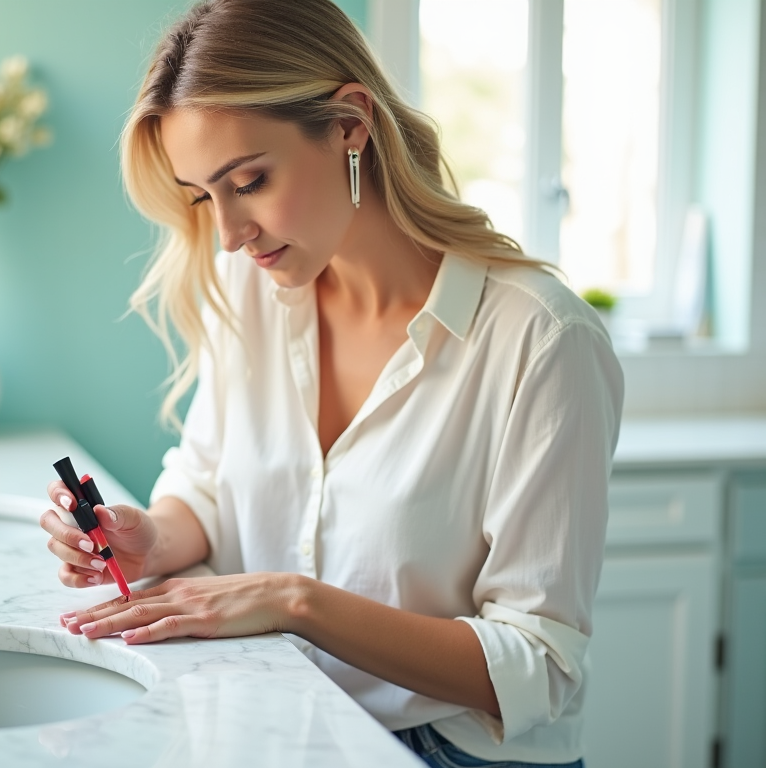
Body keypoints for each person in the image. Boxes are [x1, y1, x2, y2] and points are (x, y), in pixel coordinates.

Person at [39, 1, 624, 765]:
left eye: (248, 180)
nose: (228, 232)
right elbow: (211, 487)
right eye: (202, 196)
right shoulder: (247, 289)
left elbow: (538, 665)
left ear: (351, 123)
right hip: (277, 715)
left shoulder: (543, 341)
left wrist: (293, 601)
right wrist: (147, 538)